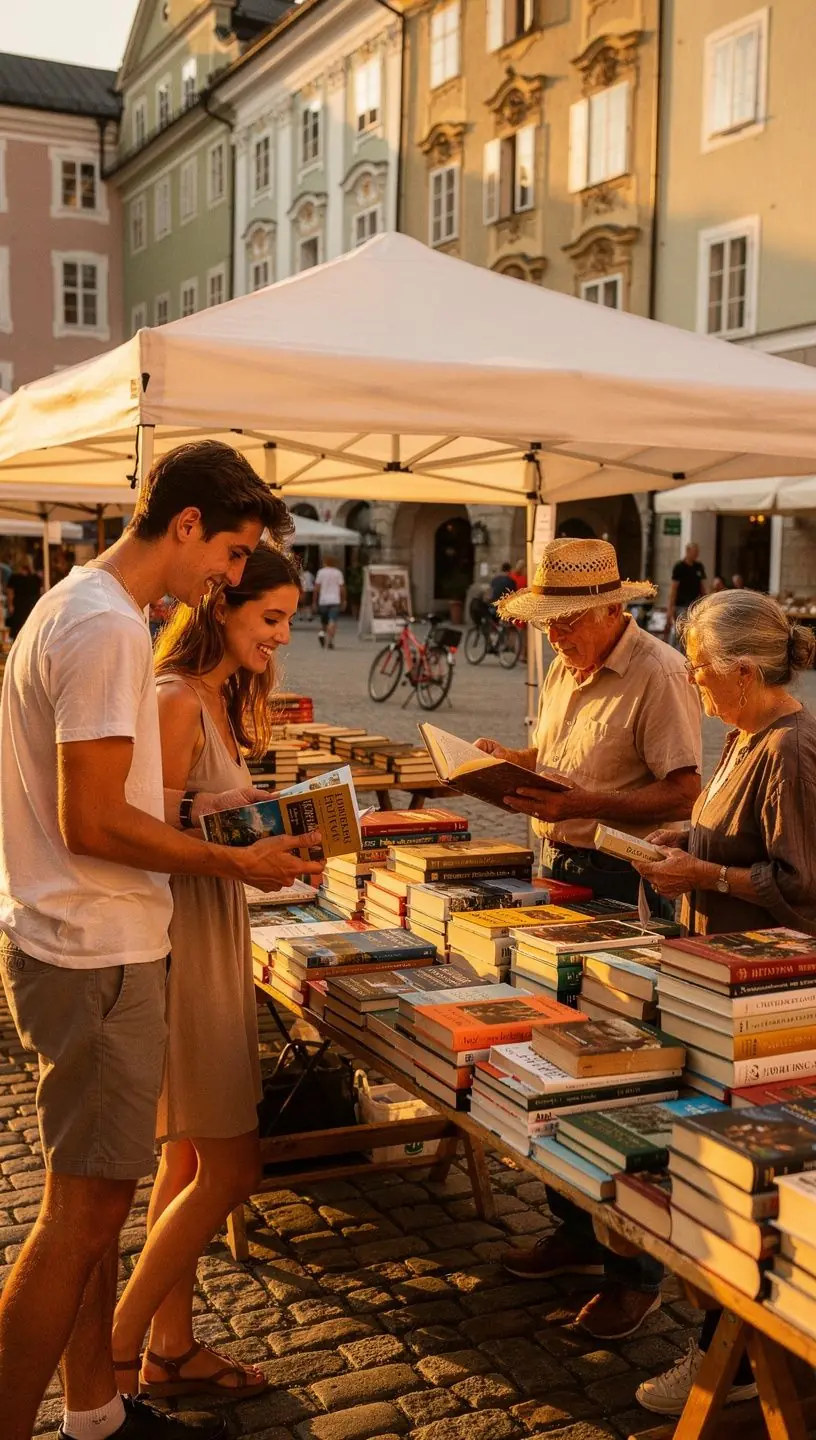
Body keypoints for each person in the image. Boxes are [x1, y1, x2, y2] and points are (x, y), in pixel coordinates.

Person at [0, 439, 322, 1440]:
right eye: (229, 555)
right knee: (81, 1219)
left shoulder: (84, 608)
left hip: (90, 937)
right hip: (92, 945)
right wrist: (240, 863)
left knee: (92, 1210)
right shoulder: (105, 629)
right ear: (186, 525)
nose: (227, 579)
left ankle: (96, 1411)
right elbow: (93, 820)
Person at [476, 538, 702, 1340]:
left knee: (614, 1072)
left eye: (568, 622)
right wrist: (512, 764)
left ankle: (633, 1273)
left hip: (622, 882)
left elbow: (684, 792)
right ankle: (574, 1228)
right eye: (546, 622)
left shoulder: (660, 671)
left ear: (614, 609)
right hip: (560, 868)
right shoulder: (569, 667)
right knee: (551, 1055)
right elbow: (563, 761)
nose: (555, 637)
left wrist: (586, 799)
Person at [112, 544, 310, 1402]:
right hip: (184, 943)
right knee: (230, 1169)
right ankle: (116, 1349)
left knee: (188, 1158)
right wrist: (240, 855)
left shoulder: (215, 700)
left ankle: (171, 1349)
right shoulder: (175, 701)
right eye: (271, 619)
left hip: (213, 926)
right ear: (220, 610)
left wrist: (260, 838)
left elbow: (192, 821)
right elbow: (136, 842)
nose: (282, 638)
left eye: (290, 623)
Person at [633, 587, 816, 1415]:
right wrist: (689, 841)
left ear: (744, 672)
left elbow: (802, 888)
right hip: (722, 990)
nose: (695, 686)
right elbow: (741, 839)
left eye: (703, 672)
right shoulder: (748, 738)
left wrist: (703, 874)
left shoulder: (789, 749)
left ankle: (732, 1360)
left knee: (736, 1174)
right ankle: (730, 1345)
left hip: (766, 1009)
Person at [665, 542, 707, 646]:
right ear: (688, 551)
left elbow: (702, 586)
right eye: (694, 551)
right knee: (681, 631)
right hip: (681, 605)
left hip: (695, 605)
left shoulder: (699, 567)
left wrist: (706, 601)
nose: (696, 554)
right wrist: (670, 608)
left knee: (693, 631)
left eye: (697, 552)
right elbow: (674, 588)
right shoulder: (679, 567)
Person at [6, 552, 42, 640]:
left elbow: (10, 593)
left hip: (19, 604)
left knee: (18, 629)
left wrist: (10, 605)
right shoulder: (36, 578)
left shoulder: (14, 577)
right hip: (32, 605)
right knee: (30, 628)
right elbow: (41, 593)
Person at [313, 554, 346, 649]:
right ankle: (330, 641)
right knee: (332, 621)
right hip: (335, 600)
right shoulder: (338, 573)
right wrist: (343, 600)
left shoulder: (321, 572)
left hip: (323, 601)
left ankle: (321, 634)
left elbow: (316, 588)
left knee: (324, 622)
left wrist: (314, 601)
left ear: (325, 563)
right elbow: (342, 588)